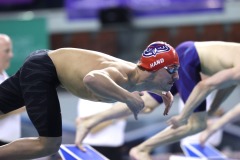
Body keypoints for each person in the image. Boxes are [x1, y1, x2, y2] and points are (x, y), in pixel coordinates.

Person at [0, 41, 179, 159]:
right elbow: (92, 79)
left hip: (44, 66)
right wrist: (127, 99)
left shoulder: (141, 78)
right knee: (49, 144)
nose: (177, 75)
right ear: (156, 68)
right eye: (172, 69)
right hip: (44, 70)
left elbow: (143, 82)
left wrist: (159, 90)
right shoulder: (121, 74)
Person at [128, 41, 240, 160]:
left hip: (188, 50)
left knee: (146, 104)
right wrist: (183, 116)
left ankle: (106, 113)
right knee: (197, 125)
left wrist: (212, 111)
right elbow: (205, 85)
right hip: (190, 59)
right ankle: (141, 149)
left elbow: (229, 84)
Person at [0, 34, 24, 146]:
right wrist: (23, 106)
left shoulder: (6, 78)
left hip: (10, 144)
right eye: (7, 51)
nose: (11, 55)